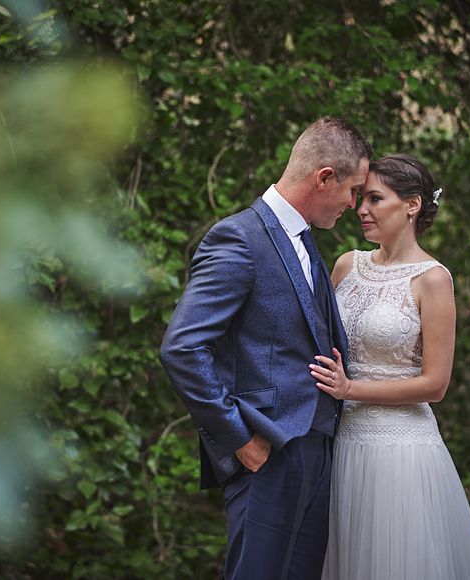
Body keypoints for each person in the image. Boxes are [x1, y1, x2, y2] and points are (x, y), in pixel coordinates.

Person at [160, 117, 372, 580]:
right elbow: (183, 347)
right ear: (324, 178)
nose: (353, 205)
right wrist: (238, 437)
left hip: (317, 453)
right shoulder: (239, 238)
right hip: (267, 452)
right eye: (353, 190)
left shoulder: (305, 240)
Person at [310, 154, 470, 579]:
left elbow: (435, 384)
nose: (361, 209)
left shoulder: (432, 279)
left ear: (412, 205)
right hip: (340, 444)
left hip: (400, 451)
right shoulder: (346, 265)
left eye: (376, 198)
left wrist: (350, 390)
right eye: (360, 198)